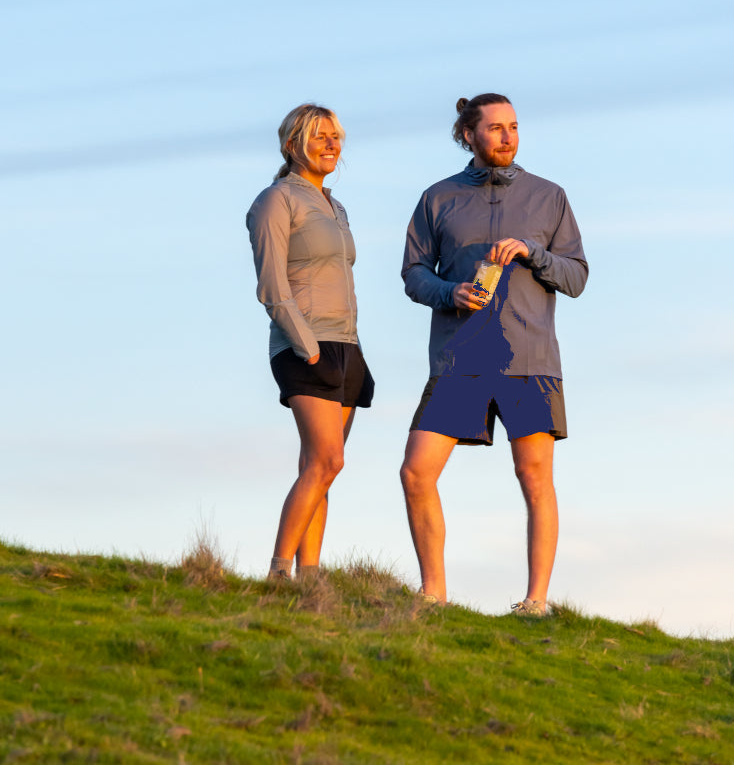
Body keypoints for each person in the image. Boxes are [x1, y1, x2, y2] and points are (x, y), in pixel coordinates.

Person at [399, 93, 588, 614]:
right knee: (416, 472)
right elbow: (413, 273)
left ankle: (536, 602)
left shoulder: (549, 196)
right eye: (496, 128)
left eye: (514, 127)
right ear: (469, 135)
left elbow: (577, 277)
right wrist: (449, 292)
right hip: (458, 361)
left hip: (529, 361)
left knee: (535, 477)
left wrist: (533, 252)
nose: (508, 137)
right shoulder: (438, 198)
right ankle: (433, 594)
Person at [246, 103, 374, 581]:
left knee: (319, 468)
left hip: (347, 345)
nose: (331, 144)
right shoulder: (276, 200)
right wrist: (308, 346)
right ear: (291, 145)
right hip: (305, 345)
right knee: (327, 460)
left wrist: (350, 349)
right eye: (319, 136)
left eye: (335, 136)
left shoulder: (336, 208)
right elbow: (271, 285)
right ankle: (279, 573)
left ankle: (311, 580)